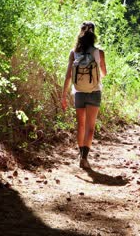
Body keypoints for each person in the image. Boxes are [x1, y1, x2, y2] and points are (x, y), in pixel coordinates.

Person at [61, 21, 107, 169]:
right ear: (94, 34)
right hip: (94, 92)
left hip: (79, 92)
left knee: (80, 125)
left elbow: (68, 76)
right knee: (90, 127)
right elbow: (104, 73)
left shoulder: (74, 52)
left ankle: (80, 154)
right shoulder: (99, 52)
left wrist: (63, 96)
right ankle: (84, 158)